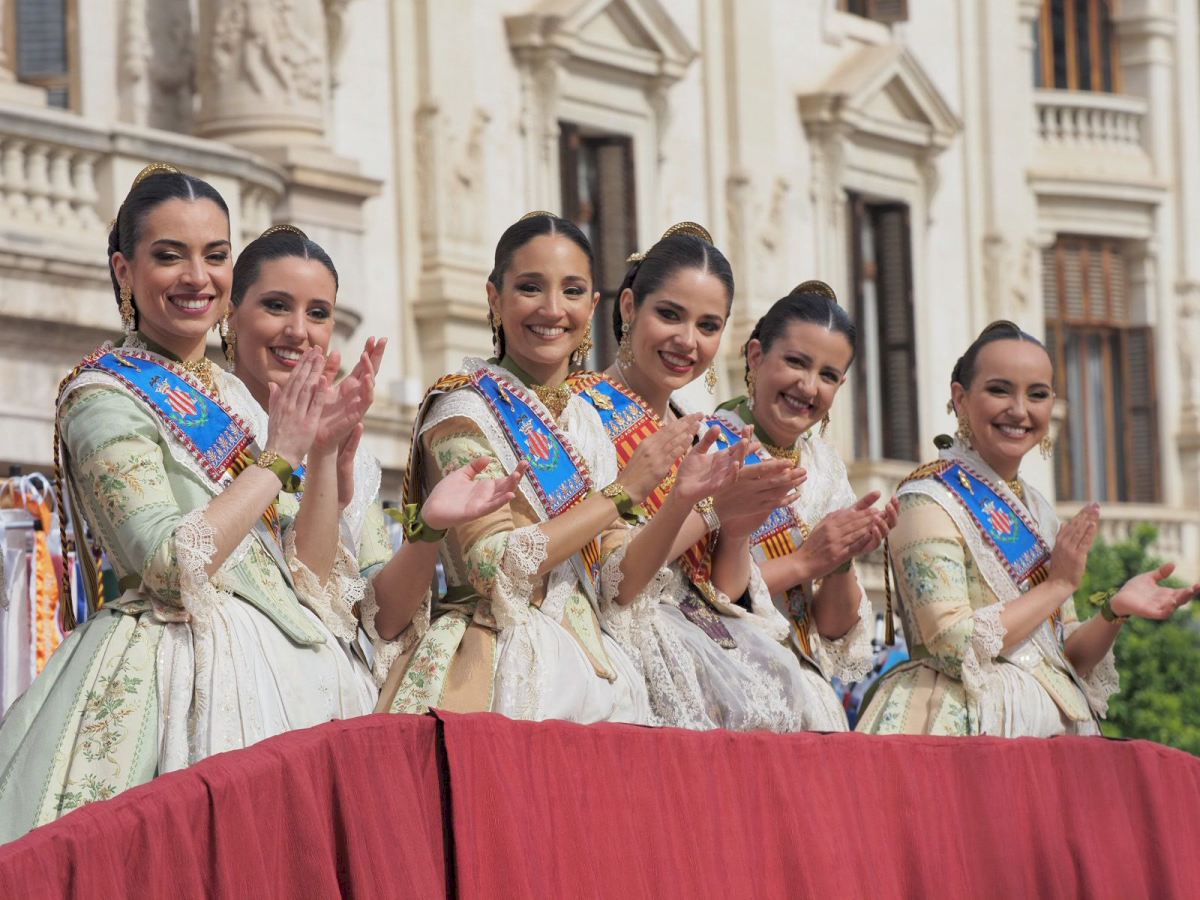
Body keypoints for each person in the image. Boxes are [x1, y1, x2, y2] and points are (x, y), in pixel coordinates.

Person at [0, 165, 376, 841]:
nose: (197, 278)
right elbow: (170, 566)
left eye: (215, 255)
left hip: (293, 676)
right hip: (180, 675)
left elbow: (311, 580)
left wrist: (321, 454)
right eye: (169, 256)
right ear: (125, 270)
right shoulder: (103, 396)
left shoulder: (233, 397)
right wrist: (279, 457)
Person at [375, 212, 735, 723]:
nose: (552, 309)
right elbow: (493, 566)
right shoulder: (464, 409)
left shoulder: (583, 419)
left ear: (592, 306)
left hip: (598, 667)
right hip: (496, 661)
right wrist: (622, 492)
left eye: (572, 291)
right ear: (495, 298)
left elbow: (617, 582)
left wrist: (683, 502)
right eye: (530, 287)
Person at [856, 321, 1199, 736]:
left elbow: (1065, 655)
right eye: (1000, 390)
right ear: (960, 398)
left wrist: (1114, 610)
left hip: (1050, 723)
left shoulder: (1037, 508)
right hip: (964, 721)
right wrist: (1057, 585)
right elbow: (953, 645)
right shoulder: (927, 500)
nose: (1019, 410)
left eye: (1037, 394)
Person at [224, 225, 523, 685]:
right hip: (242, 672)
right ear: (231, 315)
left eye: (318, 313)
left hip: (336, 683)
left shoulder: (352, 456)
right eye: (276, 306)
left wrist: (429, 529)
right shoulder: (209, 426)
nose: (298, 331)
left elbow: (381, 619)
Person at [570, 223, 814, 732]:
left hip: (706, 641)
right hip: (619, 643)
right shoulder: (580, 412)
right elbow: (616, 584)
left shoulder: (705, 433)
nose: (687, 341)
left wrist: (739, 526)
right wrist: (709, 510)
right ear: (629, 307)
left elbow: (722, 587)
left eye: (708, 326)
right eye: (669, 315)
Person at [713, 282, 898, 730]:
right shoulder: (711, 445)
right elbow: (701, 594)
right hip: (724, 678)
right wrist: (807, 561)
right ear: (756, 356)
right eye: (795, 362)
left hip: (805, 688)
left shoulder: (825, 467)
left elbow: (831, 628)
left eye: (828, 375)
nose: (808, 386)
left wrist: (840, 559)